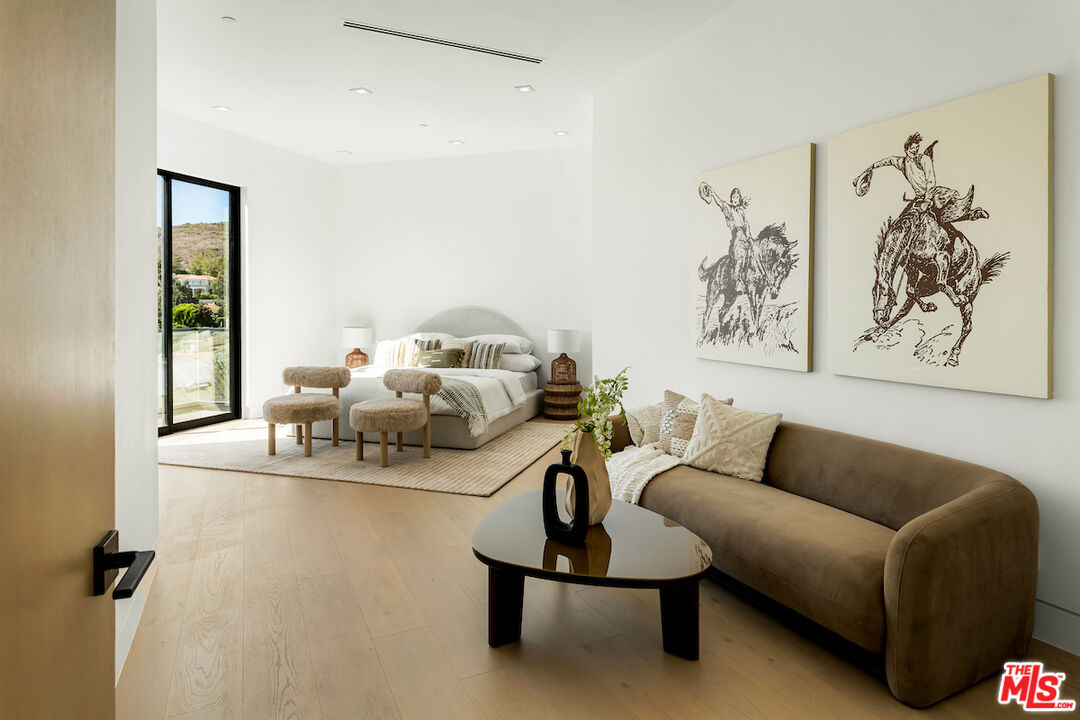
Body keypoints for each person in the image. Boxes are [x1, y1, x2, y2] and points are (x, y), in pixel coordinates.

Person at [854, 132, 989, 223]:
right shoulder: (901, 162)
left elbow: (931, 181)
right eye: (912, 149)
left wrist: (927, 200)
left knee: (943, 214)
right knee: (903, 220)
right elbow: (888, 160)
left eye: (917, 148)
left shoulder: (924, 160)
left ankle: (974, 214)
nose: (915, 151)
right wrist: (869, 169)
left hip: (933, 194)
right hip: (919, 197)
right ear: (906, 149)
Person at [699, 182, 754, 293]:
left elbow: (746, 225)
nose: (735, 199)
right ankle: (738, 283)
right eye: (733, 197)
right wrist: (713, 193)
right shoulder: (729, 209)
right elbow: (720, 203)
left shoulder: (741, 212)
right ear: (731, 198)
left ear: (739, 199)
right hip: (736, 240)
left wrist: (750, 237)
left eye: (737, 197)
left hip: (745, 238)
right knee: (739, 257)